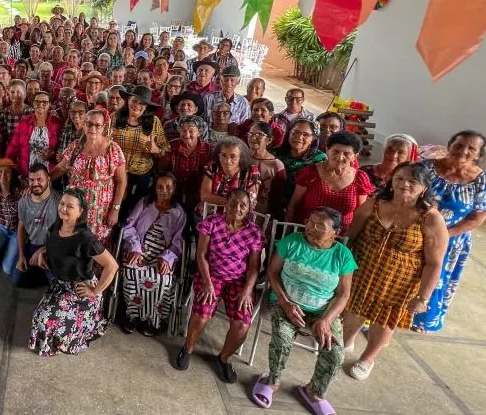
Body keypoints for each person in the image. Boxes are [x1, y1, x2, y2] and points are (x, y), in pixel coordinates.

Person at [342, 163, 448, 379]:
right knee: (353, 309)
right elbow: (350, 236)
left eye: (413, 181)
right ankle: (345, 342)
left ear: (425, 187)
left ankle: (368, 358)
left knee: (385, 320)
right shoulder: (374, 203)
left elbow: (435, 263)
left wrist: (422, 297)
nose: (404, 184)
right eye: (399, 178)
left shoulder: (431, 218)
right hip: (362, 270)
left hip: (399, 281)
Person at [250, 208, 356, 413]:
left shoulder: (342, 255)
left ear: (335, 232)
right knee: (282, 337)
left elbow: (343, 295)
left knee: (335, 353)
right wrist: (285, 302)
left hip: (323, 310)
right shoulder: (292, 241)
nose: (311, 228)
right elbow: (272, 273)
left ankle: (313, 391)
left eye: (320, 226)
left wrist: (326, 320)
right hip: (286, 302)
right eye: (310, 222)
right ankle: (272, 381)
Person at [410, 130, 486, 333]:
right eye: (459, 145)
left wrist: (442, 235)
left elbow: (477, 218)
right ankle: (392, 313)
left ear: (478, 154)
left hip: (451, 239)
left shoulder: (484, 182)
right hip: (414, 231)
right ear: (449, 145)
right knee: (406, 272)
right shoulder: (425, 168)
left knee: (437, 279)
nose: (463, 151)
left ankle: (422, 319)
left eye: (471, 148)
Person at [176, 189, 263, 382]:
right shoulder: (212, 223)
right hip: (211, 274)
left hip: (238, 281)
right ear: (226, 204)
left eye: (243, 205)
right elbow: (201, 255)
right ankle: (188, 348)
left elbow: (254, 267)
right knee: (202, 314)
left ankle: (223, 358)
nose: (237, 208)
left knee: (242, 324)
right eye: (233, 203)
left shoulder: (254, 233)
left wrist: (247, 291)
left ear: (249, 208)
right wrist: (207, 282)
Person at [26, 188, 119, 356]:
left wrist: (94, 291)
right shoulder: (57, 226)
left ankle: (66, 339)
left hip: (80, 290)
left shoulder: (86, 238)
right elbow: (59, 243)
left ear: (80, 212)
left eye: (70, 206)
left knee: (44, 318)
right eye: (62, 203)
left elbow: (112, 266)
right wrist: (42, 251)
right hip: (60, 284)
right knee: (37, 316)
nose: (63, 209)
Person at [120, 172, 186, 336]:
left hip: (162, 254)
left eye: (168, 187)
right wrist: (135, 247)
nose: (164, 190)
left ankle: (152, 319)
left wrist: (167, 257)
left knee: (162, 279)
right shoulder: (145, 203)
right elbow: (128, 227)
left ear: (174, 188)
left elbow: (178, 241)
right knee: (130, 270)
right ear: (154, 188)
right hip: (140, 248)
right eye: (160, 187)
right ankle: (132, 315)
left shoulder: (179, 213)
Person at [52, 109, 127, 246]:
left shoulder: (113, 148)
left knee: (96, 245)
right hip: (75, 207)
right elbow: (60, 168)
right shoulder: (76, 146)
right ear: (84, 125)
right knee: (74, 240)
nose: (92, 128)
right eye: (89, 124)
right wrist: (42, 181)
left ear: (103, 127)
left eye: (97, 125)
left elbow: (121, 181)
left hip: (101, 210)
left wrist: (115, 209)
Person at [287, 131, 373, 228]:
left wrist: (350, 239)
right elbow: (293, 205)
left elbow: (361, 214)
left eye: (347, 153)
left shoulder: (360, 178)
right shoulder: (310, 173)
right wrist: (288, 232)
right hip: (307, 231)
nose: (340, 157)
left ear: (355, 156)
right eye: (335, 151)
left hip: (341, 235)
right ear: (327, 150)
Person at [112, 86, 169, 215]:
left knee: (135, 207)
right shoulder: (115, 117)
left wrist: (155, 149)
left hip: (141, 174)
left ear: (146, 107)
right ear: (128, 101)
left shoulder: (154, 122)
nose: (137, 105)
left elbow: (165, 148)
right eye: (134, 101)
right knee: (116, 205)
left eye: (142, 103)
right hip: (116, 171)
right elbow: (104, 140)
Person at [275, 119, 327, 216]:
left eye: (306, 134)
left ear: (314, 138)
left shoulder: (320, 159)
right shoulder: (275, 153)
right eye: (295, 132)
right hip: (273, 204)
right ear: (289, 133)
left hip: (302, 209)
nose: (299, 137)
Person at [6, 91, 62, 177]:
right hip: (26, 173)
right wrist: (18, 175)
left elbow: (61, 149)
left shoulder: (57, 123)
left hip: (50, 173)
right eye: (37, 102)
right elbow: (12, 148)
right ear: (33, 103)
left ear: (49, 105)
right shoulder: (24, 122)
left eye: (45, 102)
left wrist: (53, 155)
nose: (40, 104)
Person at [199, 137, 261, 212]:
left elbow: (250, 201)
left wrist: (221, 201)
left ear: (241, 157)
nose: (227, 160)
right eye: (223, 155)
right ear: (218, 155)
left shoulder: (251, 171)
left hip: (237, 215)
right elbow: (205, 196)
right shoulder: (212, 167)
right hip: (210, 212)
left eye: (233, 156)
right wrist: (233, 202)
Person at [170, 115, 213, 211]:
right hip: (174, 190)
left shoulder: (208, 149)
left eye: (191, 131)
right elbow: (163, 170)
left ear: (199, 133)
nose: (187, 134)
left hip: (198, 191)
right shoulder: (171, 146)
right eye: (183, 130)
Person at [246, 121, 287, 217]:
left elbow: (277, 199)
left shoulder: (276, 166)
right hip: (238, 209)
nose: (253, 137)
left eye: (259, 134)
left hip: (262, 215)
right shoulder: (241, 157)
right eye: (250, 134)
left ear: (269, 140)